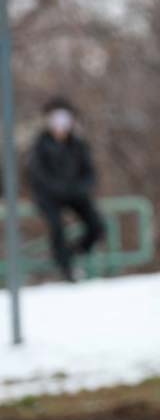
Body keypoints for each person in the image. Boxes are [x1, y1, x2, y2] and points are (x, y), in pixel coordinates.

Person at [26, 97, 105, 282]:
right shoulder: (40, 145)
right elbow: (38, 175)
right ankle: (66, 267)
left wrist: (80, 188)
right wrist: (58, 189)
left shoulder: (78, 145)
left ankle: (73, 254)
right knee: (57, 226)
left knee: (97, 225)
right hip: (49, 197)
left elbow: (90, 172)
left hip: (75, 194)